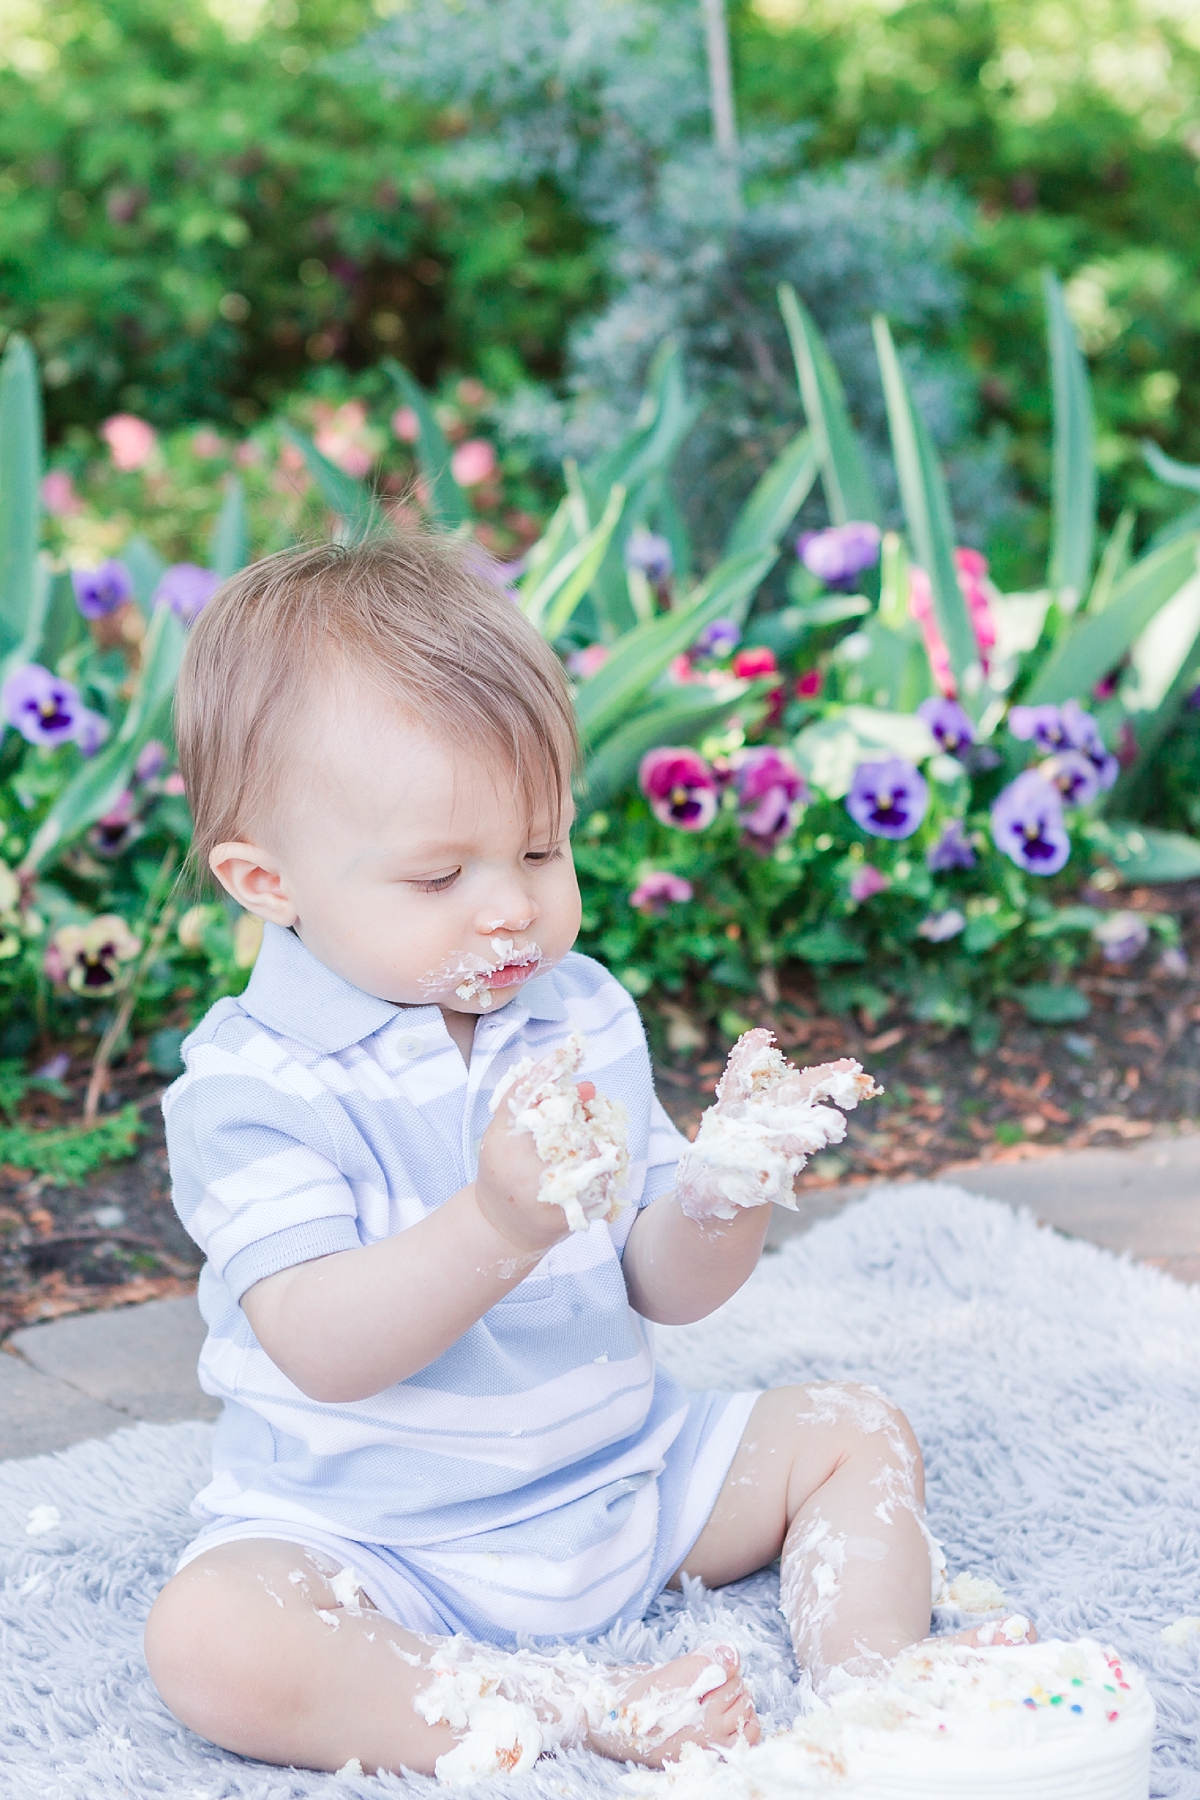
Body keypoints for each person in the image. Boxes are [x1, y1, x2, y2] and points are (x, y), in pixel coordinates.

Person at [145, 537, 1017, 1779]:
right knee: (215, 1640)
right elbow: (324, 1349)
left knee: (852, 1429)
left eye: (542, 850)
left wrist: (723, 1188)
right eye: (441, 872)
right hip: (379, 1542)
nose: (509, 907)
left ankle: (877, 1688)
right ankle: (566, 1703)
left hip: (625, 1481)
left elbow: (664, 1284)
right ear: (264, 880)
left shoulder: (578, 1009)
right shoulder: (251, 1084)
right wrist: (498, 1225)